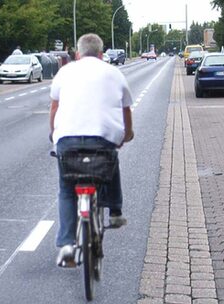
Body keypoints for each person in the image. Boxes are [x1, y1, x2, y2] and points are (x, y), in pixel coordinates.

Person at [49, 33, 134, 267]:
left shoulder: (65, 72)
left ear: (77, 54)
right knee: (111, 160)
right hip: (102, 139)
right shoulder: (114, 73)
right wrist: (126, 134)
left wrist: (53, 135)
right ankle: (115, 212)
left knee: (67, 190)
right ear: (101, 54)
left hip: (67, 140)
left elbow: (54, 108)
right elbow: (126, 109)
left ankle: (66, 245)